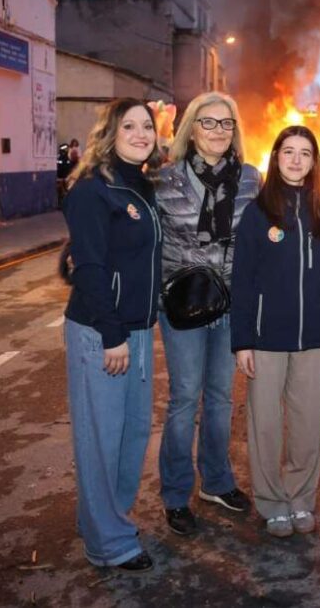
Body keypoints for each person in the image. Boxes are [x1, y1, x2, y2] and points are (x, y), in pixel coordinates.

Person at [62, 98, 163, 572]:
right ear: (110, 131)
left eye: (148, 126)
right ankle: (109, 544)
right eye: (131, 126)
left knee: (132, 433)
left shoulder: (140, 183)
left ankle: (106, 518)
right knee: (101, 437)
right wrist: (111, 333)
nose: (142, 133)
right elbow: (92, 266)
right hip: (104, 332)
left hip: (138, 331)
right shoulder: (92, 189)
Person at [230, 125, 320, 538]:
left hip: (314, 338)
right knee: (264, 424)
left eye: (305, 153)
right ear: (276, 157)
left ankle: (300, 497)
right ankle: (272, 501)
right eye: (289, 152)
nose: (296, 160)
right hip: (265, 338)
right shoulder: (257, 213)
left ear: (315, 162)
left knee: (306, 424)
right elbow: (241, 278)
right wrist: (241, 338)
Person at [155, 92, 261, 535]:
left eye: (226, 124)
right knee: (184, 400)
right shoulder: (165, 178)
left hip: (231, 305)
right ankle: (176, 494)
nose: (218, 131)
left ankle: (216, 481)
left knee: (220, 399)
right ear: (191, 129)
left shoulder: (252, 179)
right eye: (208, 122)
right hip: (182, 304)